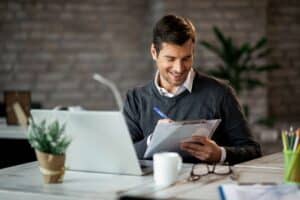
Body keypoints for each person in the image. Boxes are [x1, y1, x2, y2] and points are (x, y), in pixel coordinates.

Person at [123, 14, 262, 165]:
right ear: (154, 52)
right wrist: (152, 140)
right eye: (170, 59)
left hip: (205, 186)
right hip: (154, 187)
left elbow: (253, 151)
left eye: (186, 58)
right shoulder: (136, 99)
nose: (179, 68)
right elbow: (121, 153)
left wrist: (220, 154)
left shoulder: (220, 93)